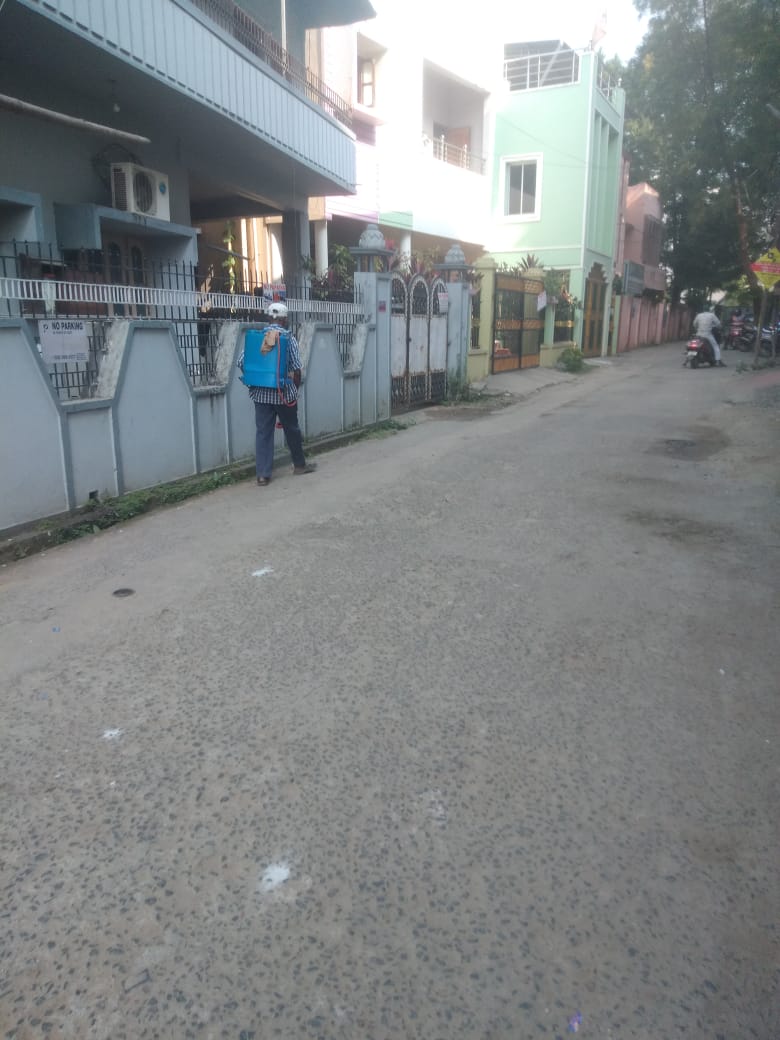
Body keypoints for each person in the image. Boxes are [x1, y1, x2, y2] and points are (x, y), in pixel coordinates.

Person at [238, 302, 316, 485]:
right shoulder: (288, 339)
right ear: (284, 319)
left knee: (263, 433)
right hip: (283, 394)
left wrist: (258, 378)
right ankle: (299, 465)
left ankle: (263, 475)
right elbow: (297, 370)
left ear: (269, 318)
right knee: (292, 429)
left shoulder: (259, 338)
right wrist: (293, 391)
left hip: (260, 395)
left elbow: (241, 362)